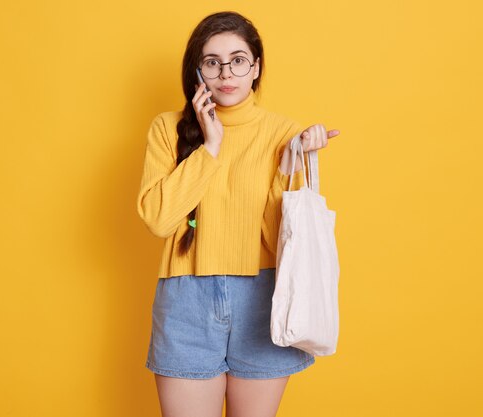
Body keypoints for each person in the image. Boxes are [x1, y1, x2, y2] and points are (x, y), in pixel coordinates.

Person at [136, 11, 340, 417]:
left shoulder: (284, 133)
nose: (226, 73)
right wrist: (210, 147)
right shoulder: (168, 129)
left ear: (256, 67)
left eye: (238, 60)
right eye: (212, 62)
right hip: (186, 301)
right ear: (197, 70)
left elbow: (275, 237)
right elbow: (159, 219)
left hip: (263, 299)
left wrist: (289, 165)